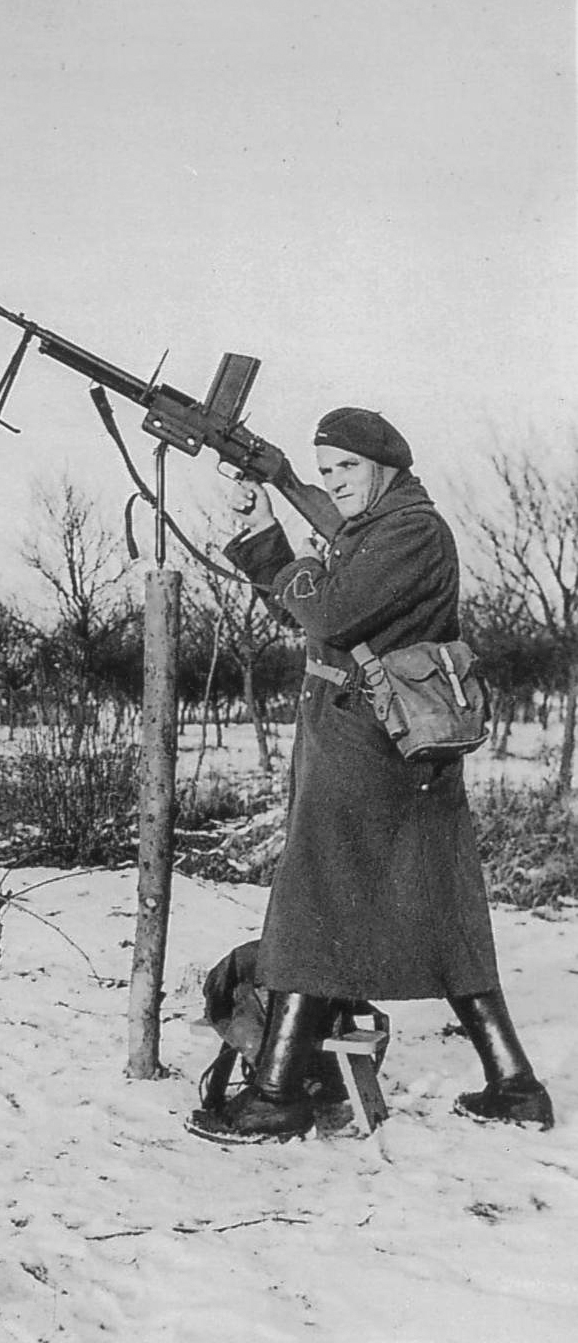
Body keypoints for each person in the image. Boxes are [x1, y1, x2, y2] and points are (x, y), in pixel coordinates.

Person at [189, 406, 553, 1141]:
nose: (335, 483)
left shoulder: (411, 531)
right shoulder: (376, 529)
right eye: (323, 472)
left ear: (385, 467)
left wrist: (265, 540)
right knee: (442, 913)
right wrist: (276, 506)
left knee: (314, 900)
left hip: (374, 745)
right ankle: (513, 1084)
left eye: (346, 468)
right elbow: (327, 606)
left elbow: (328, 614)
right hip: (382, 739)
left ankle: (277, 1094)